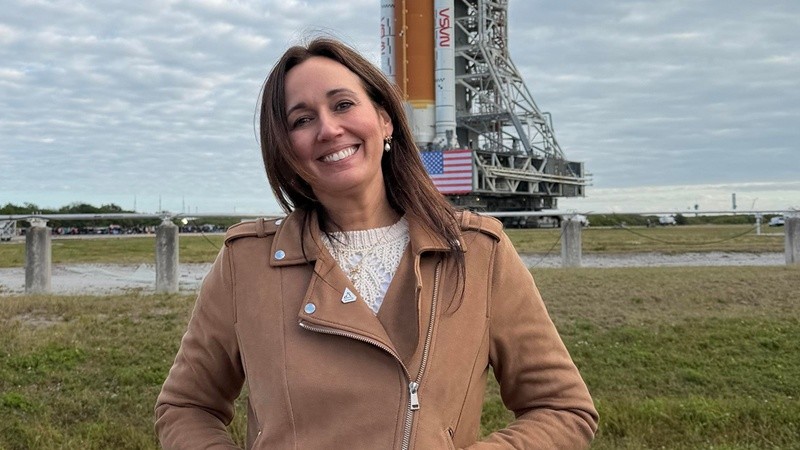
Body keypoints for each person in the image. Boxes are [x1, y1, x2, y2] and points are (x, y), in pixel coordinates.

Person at [155, 37, 598, 449]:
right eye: (302, 120)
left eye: (343, 104)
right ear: (285, 149)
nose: (328, 129)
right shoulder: (245, 264)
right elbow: (185, 406)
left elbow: (562, 407)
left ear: (384, 119)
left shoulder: (478, 253)